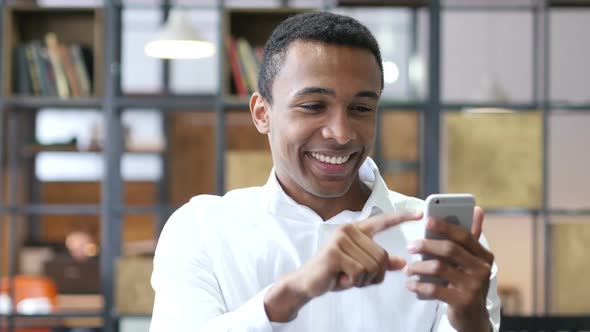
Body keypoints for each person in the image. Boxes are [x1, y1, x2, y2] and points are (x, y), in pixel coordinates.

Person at [150, 11, 500, 332]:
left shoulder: (440, 243)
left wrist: (471, 320)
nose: (342, 133)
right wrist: (289, 295)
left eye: (361, 108)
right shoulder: (202, 230)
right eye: (314, 106)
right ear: (261, 113)